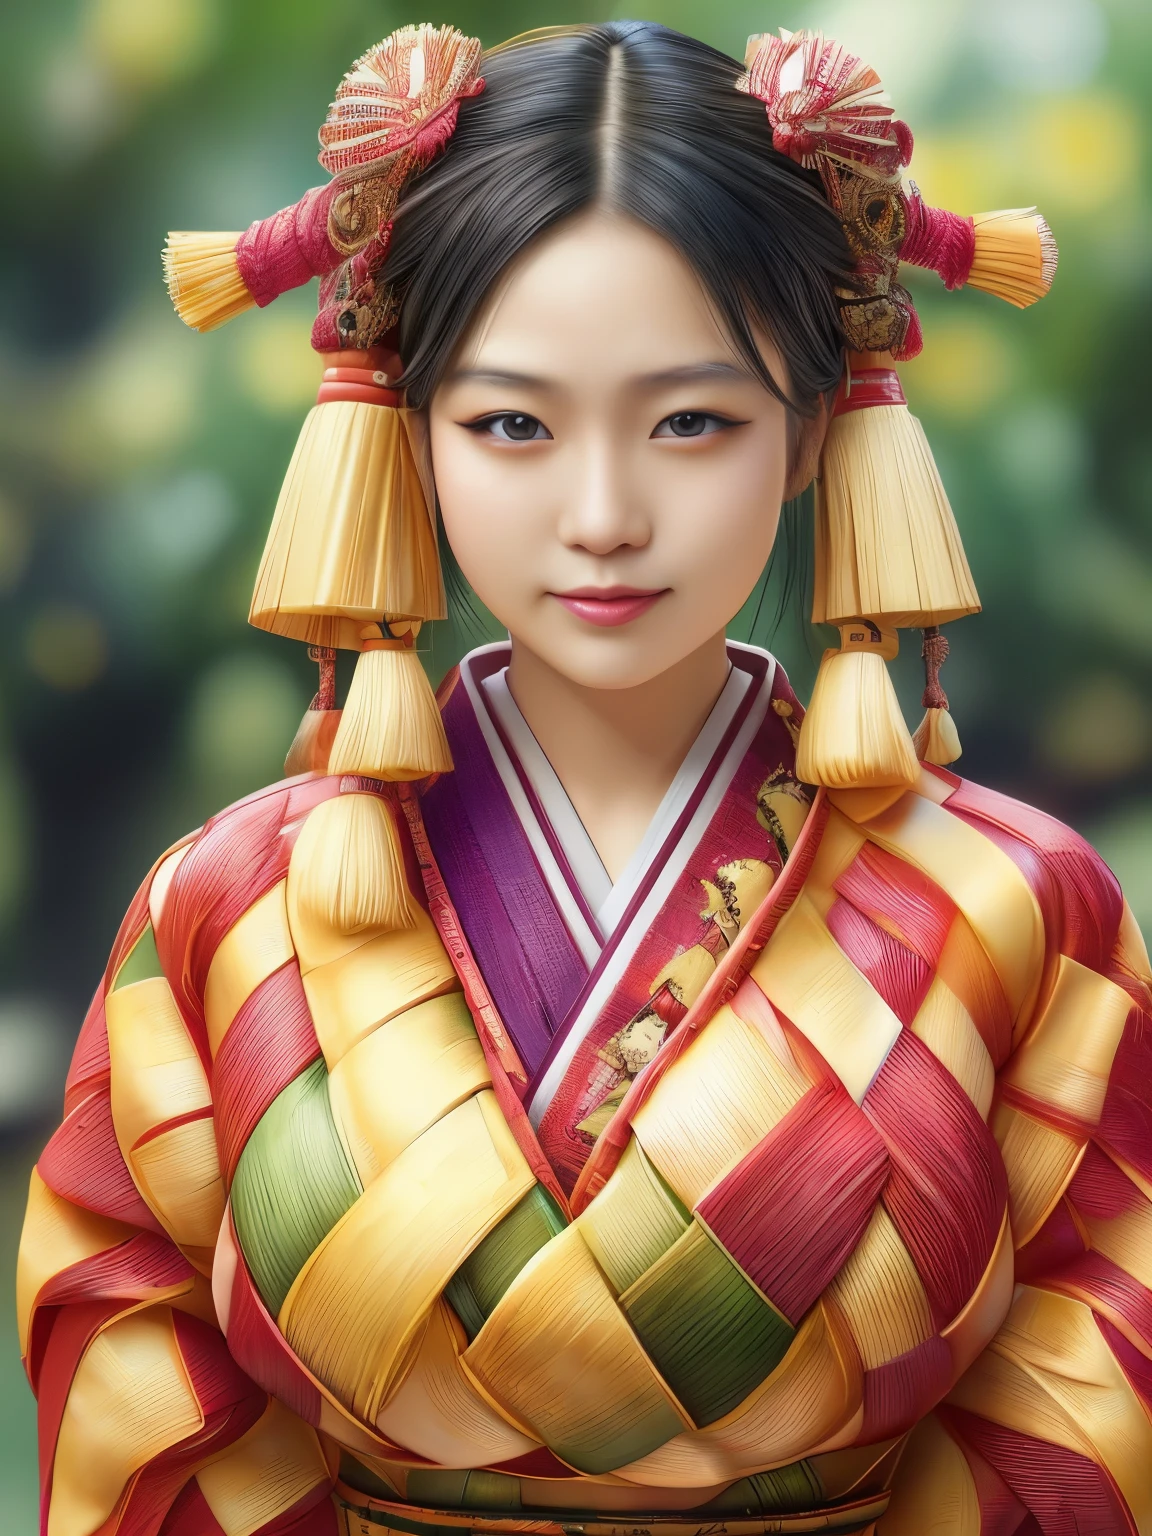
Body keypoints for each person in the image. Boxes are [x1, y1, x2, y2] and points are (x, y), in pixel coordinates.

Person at [18, 20, 1152, 1536]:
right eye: (511, 426)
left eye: (692, 422)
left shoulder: (1024, 912)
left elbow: (1087, 1379)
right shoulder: (227, 908)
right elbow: (128, 1333)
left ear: (817, 432)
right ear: (405, 436)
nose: (603, 514)